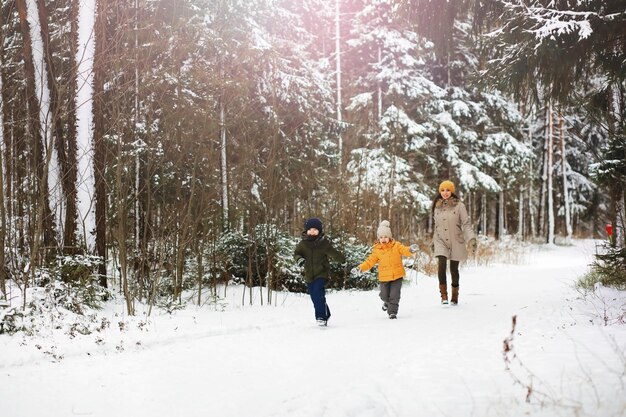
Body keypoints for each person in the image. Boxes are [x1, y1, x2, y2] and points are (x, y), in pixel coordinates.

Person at [351, 220, 418, 319]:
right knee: (384, 296)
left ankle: (392, 312)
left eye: (386, 237)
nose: (383, 239)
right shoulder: (377, 250)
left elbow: (404, 250)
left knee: (394, 296)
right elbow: (370, 262)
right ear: (378, 238)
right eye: (381, 237)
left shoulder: (396, 246)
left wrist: (410, 250)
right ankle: (386, 303)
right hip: (384, 277)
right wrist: (360, 269)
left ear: (390, 237)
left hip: (397, 276)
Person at [431, 180, 476, 306]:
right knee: (441, 263)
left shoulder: (459, 206)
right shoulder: (437, 206)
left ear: (452, 191)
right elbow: (437, 226)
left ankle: (454, 295)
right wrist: (433, 240)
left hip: (456, 240)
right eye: (443, 190)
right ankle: (443, 296)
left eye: (448, 190)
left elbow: (466, 224)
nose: (445, 193)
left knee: (453, 269)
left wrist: (471, 238)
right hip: (440, 240)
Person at [294, 217, 345, 326]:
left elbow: (333, 253)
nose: (312, 232)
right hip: (309, 274)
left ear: (319, 231)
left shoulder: (323, 243)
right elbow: (297, 253)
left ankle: (321, 317)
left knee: (318, 293)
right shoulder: (303, 244)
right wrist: (299, 259)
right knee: (314, 296)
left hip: (321, 273)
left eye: (315, 230)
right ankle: (327, 313)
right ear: (306, 231)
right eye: (310, 230)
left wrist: (342, 260)